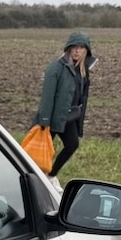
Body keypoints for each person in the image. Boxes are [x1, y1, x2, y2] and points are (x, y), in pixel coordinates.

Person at [35, 32, 96, 178]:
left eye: (81, 47)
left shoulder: (83, 71)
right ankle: (33, 177)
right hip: (52, 117)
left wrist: (78, 118)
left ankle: (51, 176)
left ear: (86, 50)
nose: (77, 51)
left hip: (68, 117)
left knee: (72, 145)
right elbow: (47, 96)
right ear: (68, 48)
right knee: (42, 151)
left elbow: (82, 97)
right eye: (74, 47)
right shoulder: (56, 67)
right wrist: (44, 120)